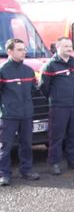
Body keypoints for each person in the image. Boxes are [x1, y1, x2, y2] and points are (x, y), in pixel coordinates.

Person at [39, 37, 74, 175]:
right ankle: (54, 162)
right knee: (56, 136)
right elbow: (44, 87)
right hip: (59, 106)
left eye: (70, 46)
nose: (69, 48)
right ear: (58, 47)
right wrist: (56, 98)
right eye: (66, 46)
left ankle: (73, 160)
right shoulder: (51, 65)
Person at [0, 39, 40, 185]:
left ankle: (26, 170)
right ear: (10, 51)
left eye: (24, 49)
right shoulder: (3, 71)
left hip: (26, 115)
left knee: (26, 144)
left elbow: (34, 91)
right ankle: (4, 174)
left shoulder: (29, 71)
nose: (24, 52)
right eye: (19, 49)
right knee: (5, 146)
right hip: (9, 115)